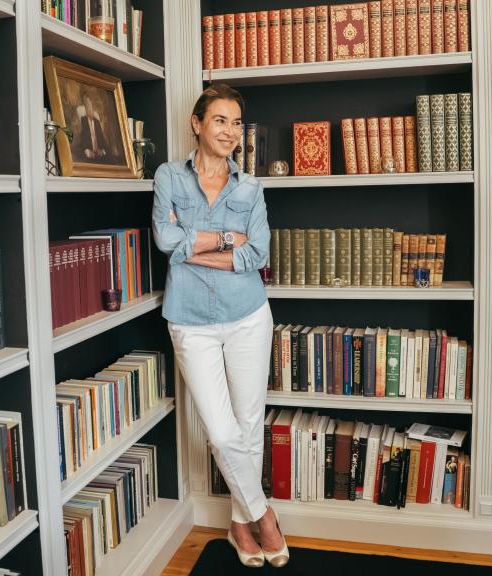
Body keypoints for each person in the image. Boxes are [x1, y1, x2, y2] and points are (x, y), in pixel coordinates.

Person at [152, 84, 289, 569]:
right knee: (222, 430)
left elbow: (257, 254)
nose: (230, 132)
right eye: (219, 121)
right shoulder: (169, 176)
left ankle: (237, 525)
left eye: (235, 123)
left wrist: (196, 248)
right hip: (190, 322)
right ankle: (263, 515)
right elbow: (165, 239)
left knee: (250, 427)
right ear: (197, 123)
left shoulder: (251, 188)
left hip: (249, 316)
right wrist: (227, 239)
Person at [77, 92, 108, 160]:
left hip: (99, 152)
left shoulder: (97, 122)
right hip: (89, 152)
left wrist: (102, 149)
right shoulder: (83, 120)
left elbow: (101, 137)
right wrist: (87, 151)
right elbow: (83, 138)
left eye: (90, 104)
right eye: (86, 105)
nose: (88, 107)